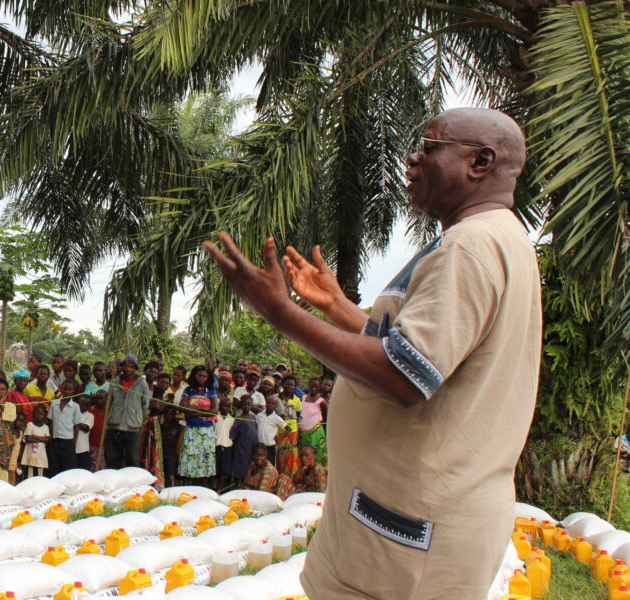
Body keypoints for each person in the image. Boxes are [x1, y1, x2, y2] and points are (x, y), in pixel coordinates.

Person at [204, 109, 541, 598]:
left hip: (407, 534)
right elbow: (422, 354)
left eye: (428, 147)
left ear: (480, 161)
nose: (412, 160)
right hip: (396, 522)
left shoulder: (470, 247)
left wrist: (280, 313)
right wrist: (339, 308)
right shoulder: (491, 238)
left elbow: (405, 377)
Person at [104, 355, 151, 468]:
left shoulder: (141, 383)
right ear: (122, 367)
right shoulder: (114, 382)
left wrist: (138, 420)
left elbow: (145, 405)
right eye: (126, 366)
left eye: (131, 367)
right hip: (114, 426)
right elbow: (109, 403)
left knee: (132, 459)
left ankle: (132, 484)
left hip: (132, 427)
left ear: (135, 369)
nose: (128, 369)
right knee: (113, 459)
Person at [178, 366, 218, 485]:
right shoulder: (188, 390)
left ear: (208, 378)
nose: (201, 378)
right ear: (195, 376)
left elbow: (214, 410)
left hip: (206, 431)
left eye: (204, 376)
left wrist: (194, 411)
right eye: (199, 375)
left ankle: (204, 489)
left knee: (204, 458)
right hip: (191, 429)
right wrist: (204, 408)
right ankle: (187, 486)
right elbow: (182, 406)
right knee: (189, 457)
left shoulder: (211, 391)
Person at [48, 380, 80, 475]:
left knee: (68, 468)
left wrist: (73, 443)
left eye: (70, 390)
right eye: (65, 389)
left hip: (68, 441)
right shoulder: (54, 403)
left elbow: (76, 426)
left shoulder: (75, 406)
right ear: (61, 389)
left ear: (73, 391)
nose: (67, 392)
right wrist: (50, 438)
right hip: (55, 440)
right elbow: (51, 422)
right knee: (54, 467)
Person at [20, 403, 50, 479]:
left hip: (40, 455)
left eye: (41, 414)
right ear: (33, 414)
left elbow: (48, 439)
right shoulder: (30, 425)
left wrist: (34, 436)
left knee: (40, 474)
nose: (39, 415)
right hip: (31, 455)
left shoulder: (45, 427)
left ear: (44, 415)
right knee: (30, 474)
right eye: (37, 413)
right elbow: (28, 439)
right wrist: (41, 439)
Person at [298, 392, 328, 465]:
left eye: (316, 387)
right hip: (303, 433)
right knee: (303, 453)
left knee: (315, 452)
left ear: (318, 388)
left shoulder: (321, 401)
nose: (313, 389)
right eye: (312, 386)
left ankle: (317, 470)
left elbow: (326, 414)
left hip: (315, 432)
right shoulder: (303, 398)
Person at [75, 394, 95, 471]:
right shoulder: (73, 413)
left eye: (86, 405)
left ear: (90, 406)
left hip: (83, 449)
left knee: (83, 471)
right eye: (81, 404)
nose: (83, 407)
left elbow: (86, 428)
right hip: (72, 448)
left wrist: (74, 421)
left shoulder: (90, 416)